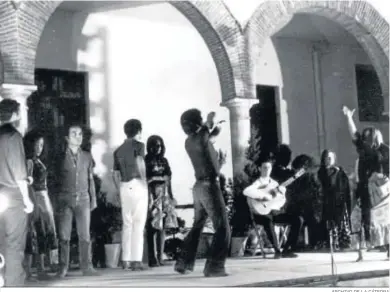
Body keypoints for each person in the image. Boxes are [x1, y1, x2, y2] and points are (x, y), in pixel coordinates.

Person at [175, 109, 230, 277]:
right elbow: (212, 117)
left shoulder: (190, 142)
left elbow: (208, 141)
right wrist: (215, 119)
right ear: (197, 123)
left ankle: (183, 262)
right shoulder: (202, 136)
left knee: (198, 225)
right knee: (223, 227)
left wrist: (216, 129)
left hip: (198, 187)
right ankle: (215, 267)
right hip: (209, 186)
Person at [51, 124, 99, 278]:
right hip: (65, 200)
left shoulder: (87, 156)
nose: (78, 137)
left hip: (83, 199)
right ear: (67, 138)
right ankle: (63, 267)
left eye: (80, 134)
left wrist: (93, 199)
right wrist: (56, 201)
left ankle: (87, 266)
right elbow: (54, 181)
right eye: (74, 134)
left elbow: (90, 179)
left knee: (84, 235)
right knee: (64, 235)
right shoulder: (59, 157)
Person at [343, 106, 389, 261]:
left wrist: (383, 177)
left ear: (375, 137)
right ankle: (361, 252)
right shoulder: (363, 150)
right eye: (364, 137)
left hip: (380, 191)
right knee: (359, 218)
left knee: (384, 220)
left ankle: (388, 250)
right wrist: (349, 117)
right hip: (365, 190)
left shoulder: (384, 150)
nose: (364, 139)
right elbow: (354, 135)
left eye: (368, 136)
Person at [0, 99, 34, 286]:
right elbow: (19, 173)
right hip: (12, 197)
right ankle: (14, 285)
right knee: (14, 243)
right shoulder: (13, 136)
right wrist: (27, 200)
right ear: (15, 114)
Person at [244, 155, 303, 258]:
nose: (267, 170)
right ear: (259, 168)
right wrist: (264, 196)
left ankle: (287, 249)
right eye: (264, 167)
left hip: (274, 212)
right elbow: (246, 191)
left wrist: (281, 195)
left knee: (298, 219)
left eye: (269, 168)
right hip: (260, 213)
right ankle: (277, 250)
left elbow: (280, 202)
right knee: (268, 220)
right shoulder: (257, 182)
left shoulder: (275, 183)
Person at [113, 119, 148, 271]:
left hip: (124, 186)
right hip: (138, 184)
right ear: (139, 131)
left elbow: (115, 174)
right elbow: (140, 161)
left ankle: (125, 260)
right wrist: (145, 181)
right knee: (138, 224)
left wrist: (118, 189)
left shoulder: (118, 150)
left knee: (127, 224)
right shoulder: (139, 145)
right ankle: (136, 260)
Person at [23, 130, 58, 281]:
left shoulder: (36, 160)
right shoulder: (30, 161)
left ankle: (41, 268)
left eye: (42, 144)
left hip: (43, 197)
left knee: (42, 232)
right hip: (36, 197)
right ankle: (37, 270)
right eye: (37, 144)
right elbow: (28, 180)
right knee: (37, 232)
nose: (40, 147)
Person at [145, 135, 177, 267]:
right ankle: (152, 258)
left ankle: (160, 256)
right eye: (154, 145)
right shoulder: (145, 160)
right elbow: (146, 179)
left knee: (163, 227)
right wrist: (155, 179)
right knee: (152, 226)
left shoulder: (164, 161)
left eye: (159, 145)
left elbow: (168, 179)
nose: (157, 148)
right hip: (151, 195)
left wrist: (171, 195)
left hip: (164, 195)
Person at [286, 154, 324, 249]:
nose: (300, 170)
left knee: (313, 219)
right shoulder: (293, 179)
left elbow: (317, 193)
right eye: (298, 168)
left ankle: (314, 243)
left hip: (309, 208)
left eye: (302, 167)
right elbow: (291, 196)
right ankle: (296, 245)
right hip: (297, 209)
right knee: (301, 219)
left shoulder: (311, 177)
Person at [317, 150, 352, 250]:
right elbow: (327, 186)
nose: (328, 160)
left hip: (339, 203)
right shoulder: (321, 172)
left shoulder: (340, 172)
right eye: (326, 158)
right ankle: (330, 244)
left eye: (330, 158)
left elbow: (345, 188)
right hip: (326, 204)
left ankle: (342, 244)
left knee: (340, 223)